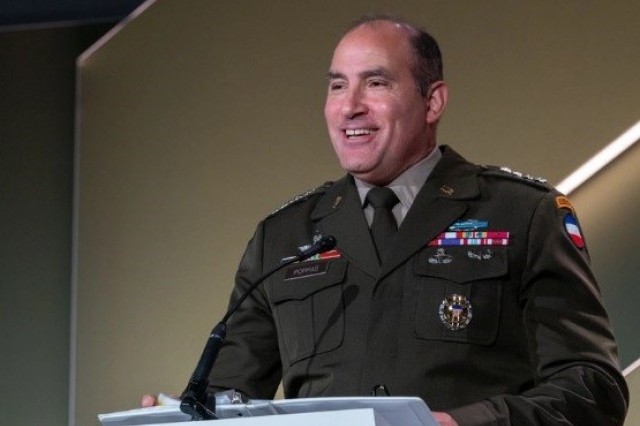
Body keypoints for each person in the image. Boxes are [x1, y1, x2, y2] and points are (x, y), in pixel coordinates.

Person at [148, 16, 629, 425]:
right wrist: (173, 416)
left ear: (433, 102)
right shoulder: (283, 236)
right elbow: (226, 398)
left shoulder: (522, 213)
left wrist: (466, 423)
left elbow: (594, 387)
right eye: (338, 85)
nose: (349, 105)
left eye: (375, 83)